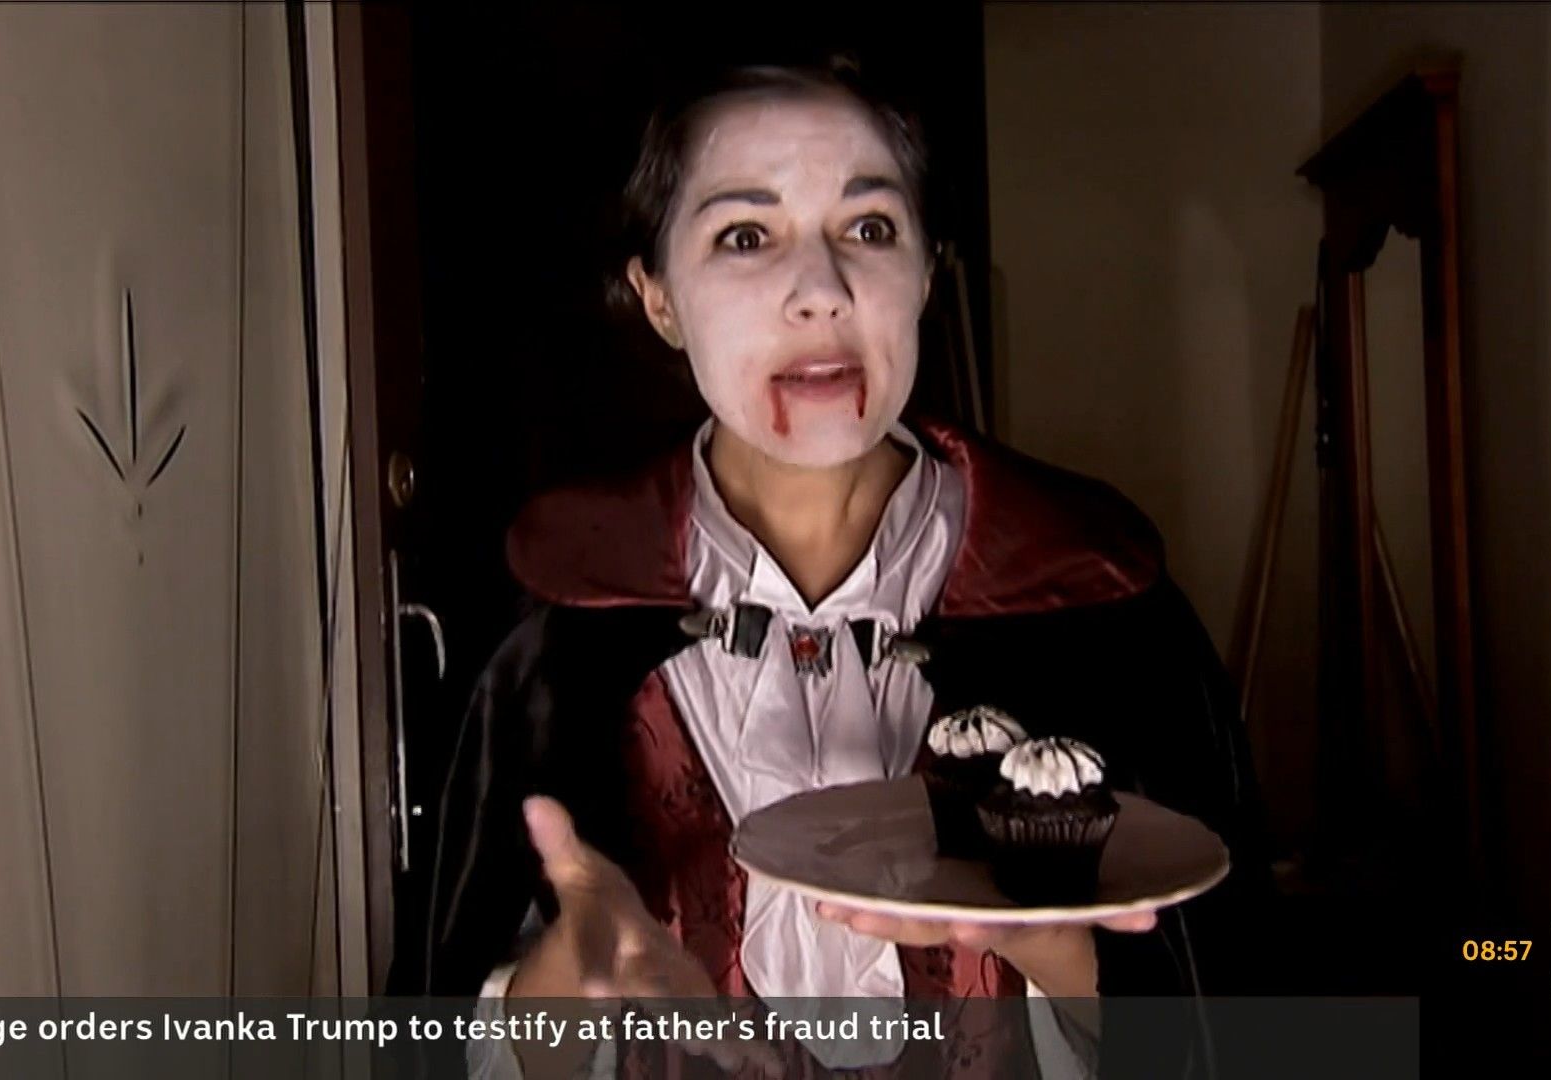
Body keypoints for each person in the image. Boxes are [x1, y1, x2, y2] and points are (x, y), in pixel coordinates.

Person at [420, 60, 1269, 1079]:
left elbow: (1218, 1028)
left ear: (926, 272)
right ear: (658, 298)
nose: (821, 293)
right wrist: (575, 965)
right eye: (746, 237)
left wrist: (1052, 947)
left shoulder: (1100, 602)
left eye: (869, 229)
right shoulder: (554, 624)